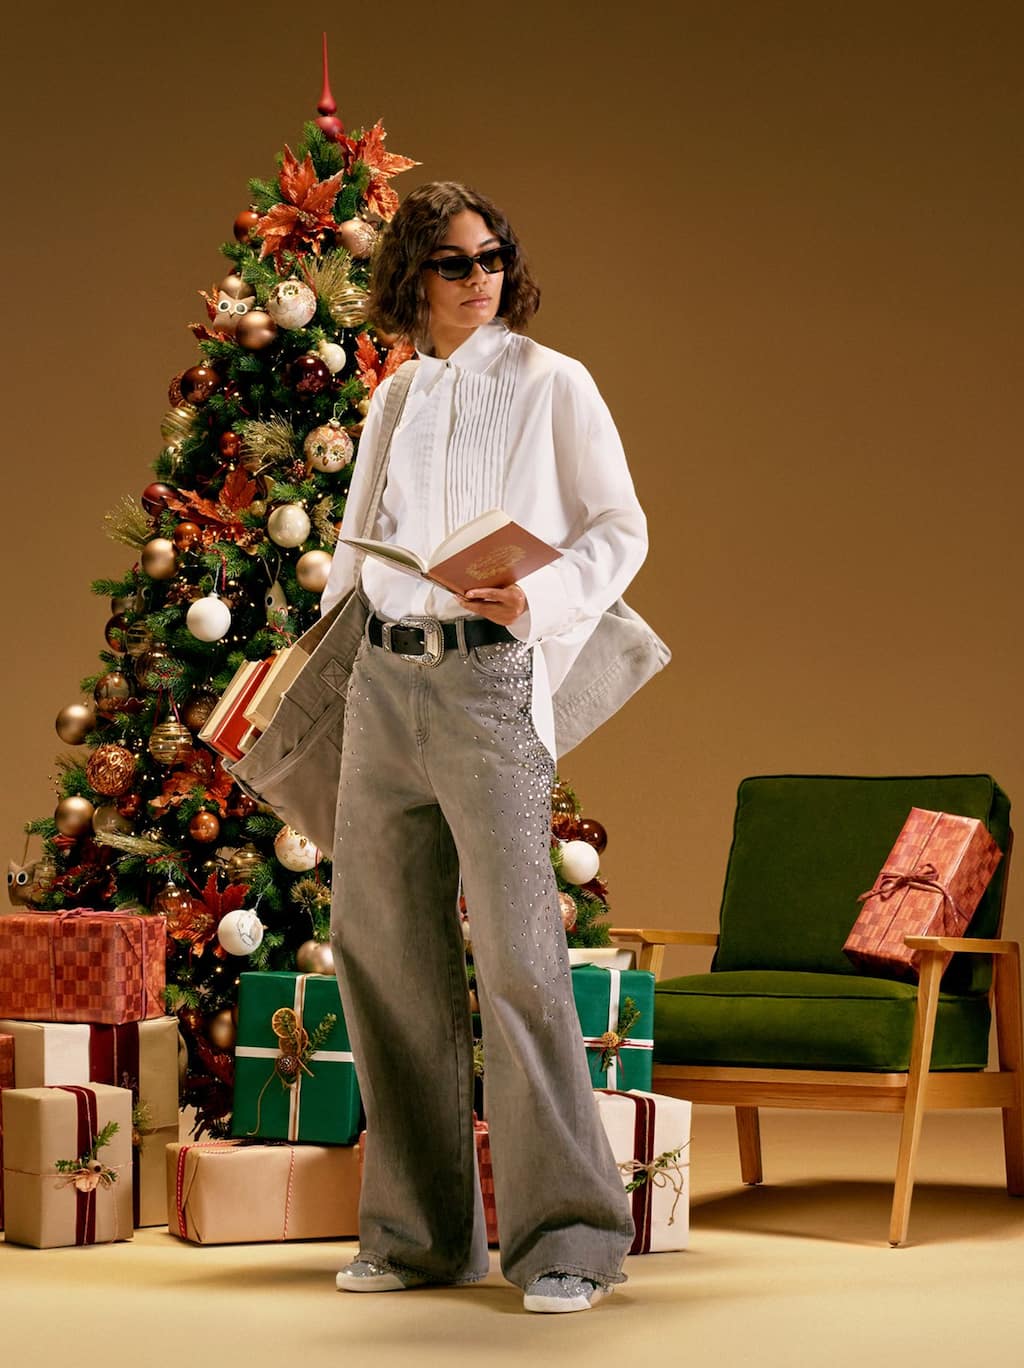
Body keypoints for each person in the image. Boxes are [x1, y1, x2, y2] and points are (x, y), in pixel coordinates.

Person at [322, 181, 649, 1313]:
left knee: (518, 961)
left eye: (493, 259)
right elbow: (357, 548)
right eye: (456, 264)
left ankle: (570, 1239)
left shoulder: (555, 384)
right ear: (413, 276)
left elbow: (619, 528)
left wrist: (539, 597)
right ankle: (415, 1237)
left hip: (486, 680)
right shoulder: (397, 396)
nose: (480, 281)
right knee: (383, 957)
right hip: (381, 679)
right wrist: (313, 657)